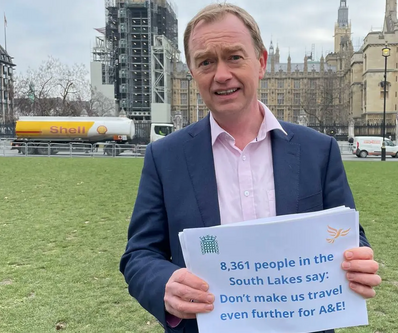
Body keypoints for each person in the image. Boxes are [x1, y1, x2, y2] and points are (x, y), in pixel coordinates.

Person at [120, 3, 381, 333]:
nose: (221, 74)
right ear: (192, 72)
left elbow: (348, 234)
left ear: (261, 62)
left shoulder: (318, 150)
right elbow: (139, 255)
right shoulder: (165, 157)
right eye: (206, 62)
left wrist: (359, 260)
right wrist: (164, 286)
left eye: (234, 56)